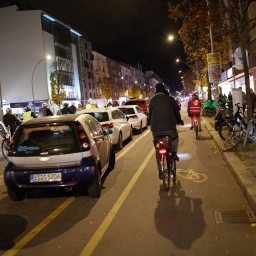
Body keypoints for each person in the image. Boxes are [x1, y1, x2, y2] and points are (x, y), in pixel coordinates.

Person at [149, 83, 184, 179]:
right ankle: (174, 153)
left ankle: (160, 169)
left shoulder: (152, 101)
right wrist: (179, 120)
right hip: (170, 128)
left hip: (156, 130)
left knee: (157, 148)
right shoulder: (169, 99)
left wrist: (151, 124)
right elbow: (176, 110)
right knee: (175, 137)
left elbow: (150, 114)